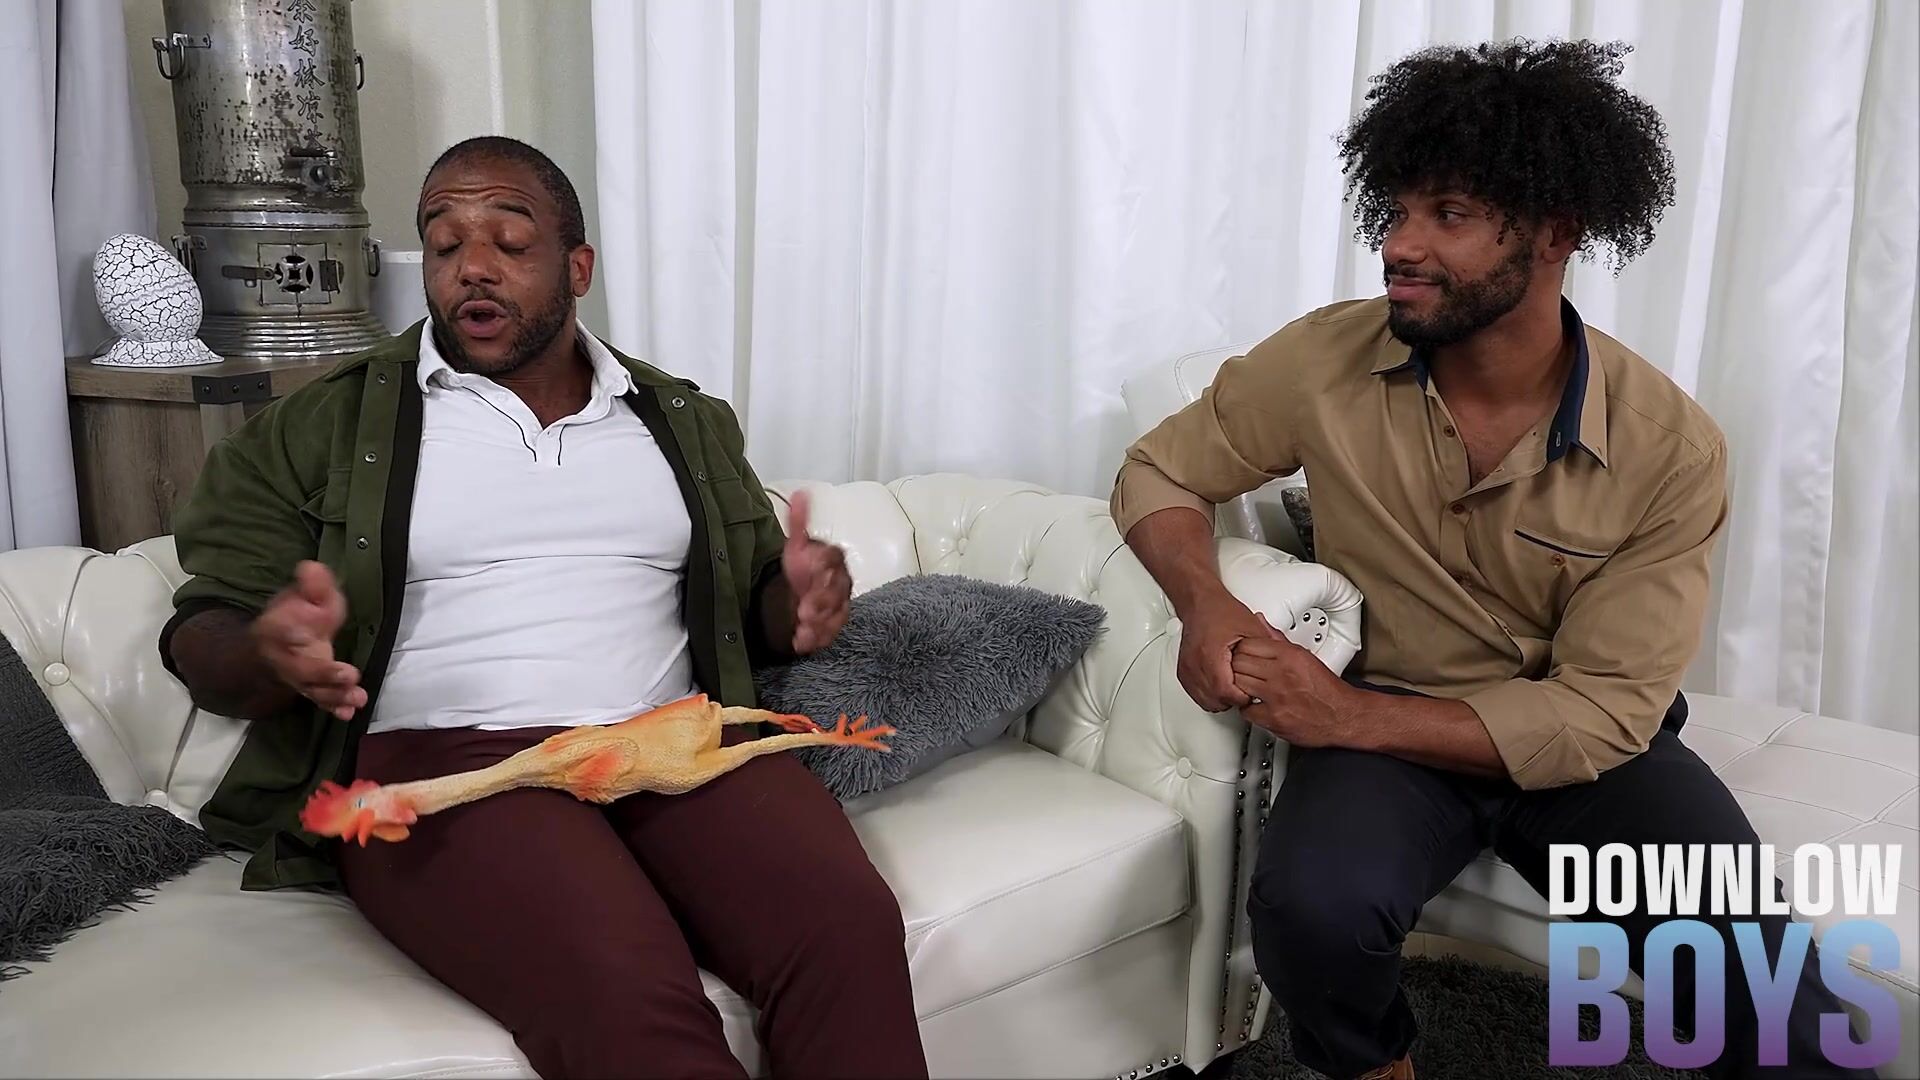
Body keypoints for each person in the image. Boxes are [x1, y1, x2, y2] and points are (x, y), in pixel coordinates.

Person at [1111, 40, 1875, 1080]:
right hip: (1390, 734)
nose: (1400, 245)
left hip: (1587, 748)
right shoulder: (1323, 360)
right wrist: (1205, 604)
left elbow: (1603, 711)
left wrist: (1344, 718)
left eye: (1450, 215)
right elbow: (1159, 471)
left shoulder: (1671, 447)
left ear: (1558, 231)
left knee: (1776, 1003)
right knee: (1311, 910)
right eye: (1397, 211)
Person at [159, 136, 929, 1080]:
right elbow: (204, 630)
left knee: (847, 927)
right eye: (444, 244)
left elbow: (757, 603)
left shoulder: (682, 420)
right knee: (626, 991)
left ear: (577, 268)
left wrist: (799, 605)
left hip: (673, 742)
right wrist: (269, 652)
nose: (472, 267)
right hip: (454, 769)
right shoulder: (323, 422)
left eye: (510, 241)